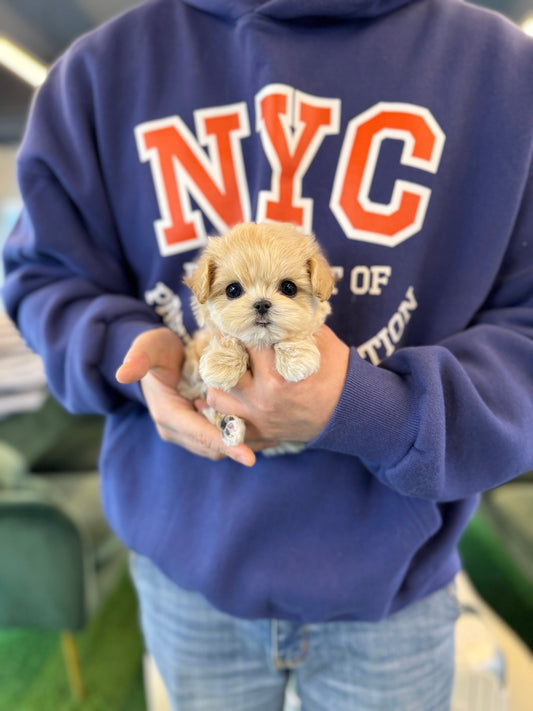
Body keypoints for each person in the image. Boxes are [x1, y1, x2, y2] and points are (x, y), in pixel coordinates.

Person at [3, 0, 533, 708]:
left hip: (392, 584)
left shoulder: (503, 73)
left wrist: (373, 408)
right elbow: (42, 275)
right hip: (187, 576)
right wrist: (135, 353)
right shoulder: (96, 74)